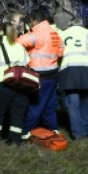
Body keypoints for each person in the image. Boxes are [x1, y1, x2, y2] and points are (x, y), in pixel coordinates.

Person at [14, 7, 64, 137]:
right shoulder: (54, 33)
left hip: (40, 76)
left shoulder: (37, 34)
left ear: (35, 21)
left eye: (30, 21)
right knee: (50, 105)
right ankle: (53, 129)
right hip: (53, 74)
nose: (30, 24)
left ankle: (25, 132)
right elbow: (61, 50)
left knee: (36, 105)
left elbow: (17, 42)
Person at [0, 13, 31, 146]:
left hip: (2, 83)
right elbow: (27, 62)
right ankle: (15, 140)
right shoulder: (20, 47)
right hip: (20, 84)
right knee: (17, 113)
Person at [58, 13, 88, 140]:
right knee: (85, 102)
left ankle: (77, 134)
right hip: (87, 71)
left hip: (69, 72)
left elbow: (58, 54)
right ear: (81, 24)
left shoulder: (63, 34)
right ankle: (85, 131)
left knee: (73, 104)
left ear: (70, 23)